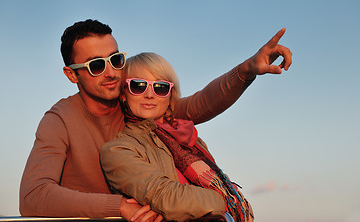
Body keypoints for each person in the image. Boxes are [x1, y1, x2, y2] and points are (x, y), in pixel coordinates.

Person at [19, 19, 292, 221]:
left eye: (115, 60)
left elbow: (202, 102)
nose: (111, 72)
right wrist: (119, 206)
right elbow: (33, 196)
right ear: (71, 74)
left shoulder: (142, 109)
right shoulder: (60, 120)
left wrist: (247, 69)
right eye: (96, 65)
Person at [100, 52, 254, 222]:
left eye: (160, 87)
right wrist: (228, 199)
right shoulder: (118, 149)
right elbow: (168, 198)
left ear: (170, 96)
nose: (149, 95)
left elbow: (206, 100)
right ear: (123, 94)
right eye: (138, 86)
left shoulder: (191, 140)